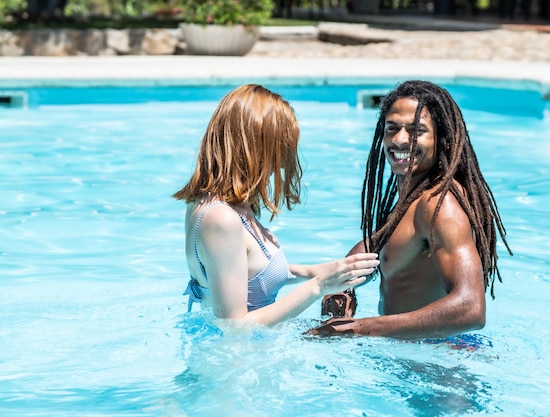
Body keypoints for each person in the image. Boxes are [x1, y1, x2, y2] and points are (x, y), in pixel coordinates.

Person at [309, 80, 511, 339]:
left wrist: (359, 329)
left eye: (416, 131)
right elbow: (385, 244)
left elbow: (470, 308)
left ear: (443, 140)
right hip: (419, 357)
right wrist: (342, 289)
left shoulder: (440, 204)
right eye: (392, 128)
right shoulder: (413, 197)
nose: (400, 139)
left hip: (443, 363)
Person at [173, 84, 379, 326]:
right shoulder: (222, 219)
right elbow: (233, 327)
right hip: (240, 362)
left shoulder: (210, 202)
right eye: (282, 147)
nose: (284, 162)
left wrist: (314, 271)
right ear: (258, 147)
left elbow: (245, 272)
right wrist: (318, 287)